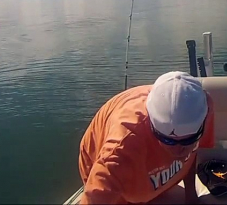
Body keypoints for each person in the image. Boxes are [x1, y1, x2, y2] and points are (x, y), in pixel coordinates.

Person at [78, 71, 215, 204]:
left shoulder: (201, 108)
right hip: (119, 184)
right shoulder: (121, 150)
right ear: (151, 126)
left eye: (188, 140)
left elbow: (190, 156)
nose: (179, 151)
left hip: (153, 178)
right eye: (167, 140)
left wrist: (191, 198)